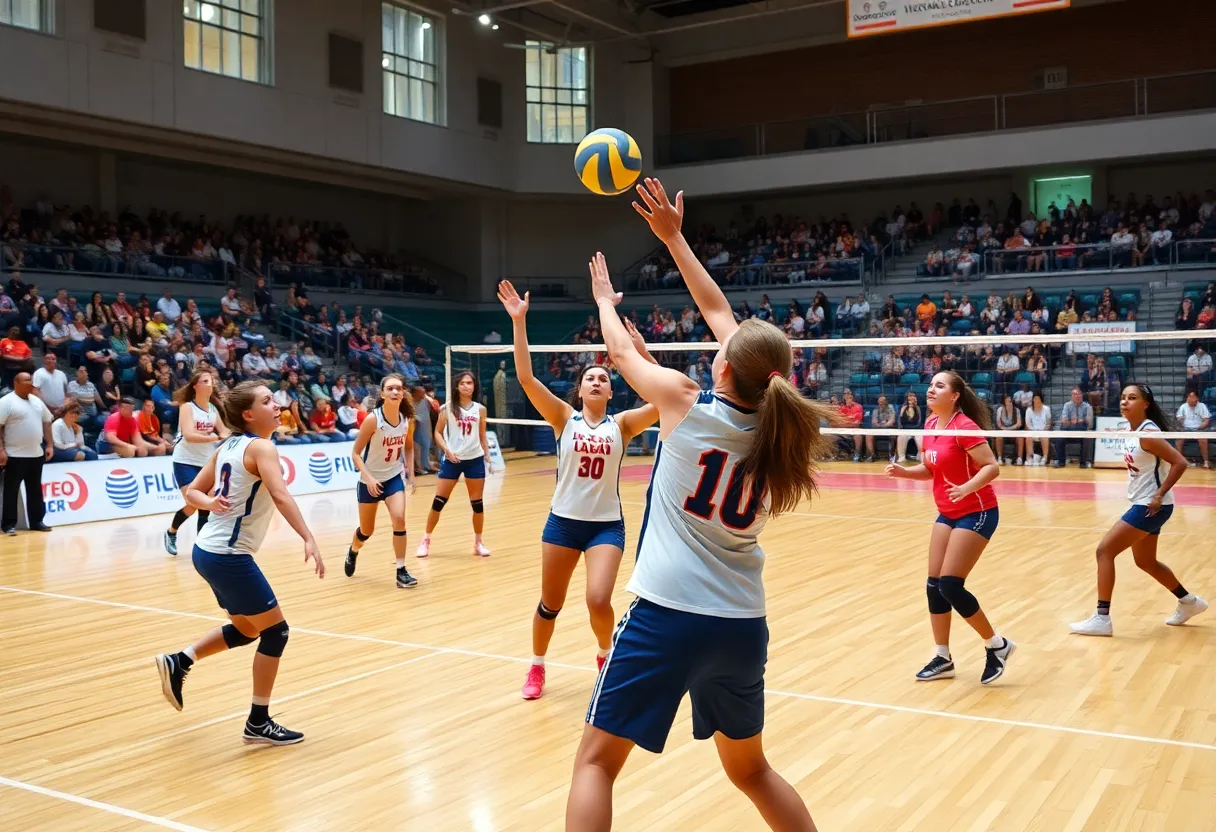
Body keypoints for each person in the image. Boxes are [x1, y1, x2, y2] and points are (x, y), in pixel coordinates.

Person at [566, 179, 835, 832]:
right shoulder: (782, 426)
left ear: (722, 369)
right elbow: (723, 318)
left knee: (595, 766)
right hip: (741, 625)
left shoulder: (683, 404)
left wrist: (603, 300)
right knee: (752, 772)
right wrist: (675, 240)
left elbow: (623, 352)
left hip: (667, 616)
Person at [498, 279, 659, 701]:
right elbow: (527, 377)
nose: (596, 382)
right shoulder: (563, 418)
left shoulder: (622, 424)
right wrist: (519, 323)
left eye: (603, 378)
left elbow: (663, 399)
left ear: (610, 390)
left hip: (606, 526)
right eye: (589, 377)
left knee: (598, 599)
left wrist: (642, 355)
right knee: (550, 603)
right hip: (563, 524)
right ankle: (536, 667)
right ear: (580, 388)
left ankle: (605, 655)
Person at [153, 381, 325, 745]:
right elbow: (280, 494)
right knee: (276, 632)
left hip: (208, 551)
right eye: (267, 401)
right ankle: (258, 722)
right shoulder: (262, 447)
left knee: (248, 630)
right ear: (248, 414)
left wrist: (208, 502)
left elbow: (192, 492)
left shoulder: (228, 445)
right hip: (227, 556)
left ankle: (180, 660)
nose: (277, 405)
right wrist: (308, 536)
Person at [886, 371, 1015, 685]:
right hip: (948, 511)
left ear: (955, 395)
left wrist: (968, 488)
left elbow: (992, 467)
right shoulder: (930, 424)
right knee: (934, 584)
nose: (931, 389)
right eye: (930, 385)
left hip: (977, 511)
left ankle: (996, 645)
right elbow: (930, 469)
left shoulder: (964, 428)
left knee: (950, 584)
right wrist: (904, 473)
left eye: (939, 386)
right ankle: (943, 657)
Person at [1070, 384, 1207, 636]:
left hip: (1151, 505)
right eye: (1123, 398)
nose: (1125, 402)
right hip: (1146, 503)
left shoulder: (1148, 434)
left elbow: (1180, 462)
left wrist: (1158, 494)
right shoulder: (1133, 430)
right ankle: (1189, 602)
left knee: (1104, 551)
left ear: (1145, 404)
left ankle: (1102, 618)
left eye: (1132, 398)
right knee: (1146, 562)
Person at [345, 374, 419, 589]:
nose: (395, 392)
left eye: (399, 388)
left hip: (393, 477)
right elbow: (356, 453)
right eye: (391, 389)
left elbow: (409, 446)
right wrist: (368, 478)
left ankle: (401, 570)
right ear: (383, 393)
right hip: (369, 480)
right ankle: (353, 550)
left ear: (404, 393)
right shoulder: (373, 420)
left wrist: (411, 474)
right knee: (366, 531)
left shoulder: (407, 419)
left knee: (399, 519)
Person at [415, 370, 495, 558]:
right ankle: (425, 540)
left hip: (474, 459)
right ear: (457, 387)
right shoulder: (447, 408)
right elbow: (437, 433)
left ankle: (478, 542)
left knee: (477, 504)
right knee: (439, 502)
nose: (467, 386)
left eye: (470, 383)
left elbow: (482, 435)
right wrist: (447, 450)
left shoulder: (480, 409)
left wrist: (487, 456)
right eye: (463, 383)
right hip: (453, 460)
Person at [165, 370, 230, 556]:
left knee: (204, 504)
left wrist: (234, 434)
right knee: (194, 503)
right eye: (206, 380)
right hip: (184, 460)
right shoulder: (187, 407)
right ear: (196, 386)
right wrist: (214, 437)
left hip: (206, 462)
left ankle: (202, 546)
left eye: (211, 380)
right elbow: (189, 435)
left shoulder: (213, 409)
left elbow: (224, 431)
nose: (211, 383)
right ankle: (171, 533)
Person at [0, 372, 54, 534]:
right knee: (11, 491)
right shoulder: (6, 402)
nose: (30, 383)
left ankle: (37, 521)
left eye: (31, 380)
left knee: (35, 490)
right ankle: (9, 525)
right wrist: (1, 450)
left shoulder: (37, 401)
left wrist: (50, 444)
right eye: (26, 380)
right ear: (16, 382)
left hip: (36, 454)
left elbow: (47, 421)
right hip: (14, 455)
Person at [1174, 390, 1211, 469]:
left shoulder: (1202, 406)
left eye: (1192, 396)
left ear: (1197, 398)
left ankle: (1206, 461)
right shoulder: (1183, 406)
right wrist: (1181, 419)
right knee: (1179, 439)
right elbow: (1179, 419)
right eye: (1189, 397)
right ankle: (1180, 460)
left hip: (1198, 428)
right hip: (1185, 428)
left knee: (1203, 439)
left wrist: (1200, 427)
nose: (1191, 399)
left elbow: (1206, 420)